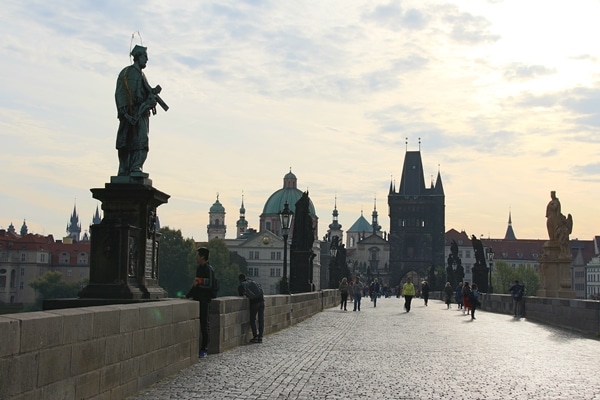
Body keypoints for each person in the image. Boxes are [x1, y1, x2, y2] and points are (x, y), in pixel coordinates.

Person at [115, 45, 164, 177]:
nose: (147, 60)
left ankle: (136, 167)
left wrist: (152, 93)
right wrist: (124, 112)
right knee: (128, 141)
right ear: (138, 57)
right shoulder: (128, 73)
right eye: (145, 57)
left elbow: (145, 91)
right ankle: (127, 169)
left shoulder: (142, 75)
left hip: (141, 114)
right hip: (131, 114)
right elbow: (121, 93)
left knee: (141, 140)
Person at [184, 247, 216, 358]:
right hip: (198, 298)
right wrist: (187, 296)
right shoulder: (199, 268)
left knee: (204, 325)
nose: (196, 257)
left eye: (197, 255)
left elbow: (210, 285)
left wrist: (200, 283)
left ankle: (204, 349)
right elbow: (195, 285)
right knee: (200, 324)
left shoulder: (209, 269)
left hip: (205, 300)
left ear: (202, 256)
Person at [238, 274, 265, 343]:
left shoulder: (242, 284)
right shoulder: (253, 281)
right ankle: (260, 336)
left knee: (252, 319)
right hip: (262, 301)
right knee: (261, 319)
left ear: (240, 279)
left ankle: (255, 336)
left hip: (255, 302)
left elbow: (241, 294)